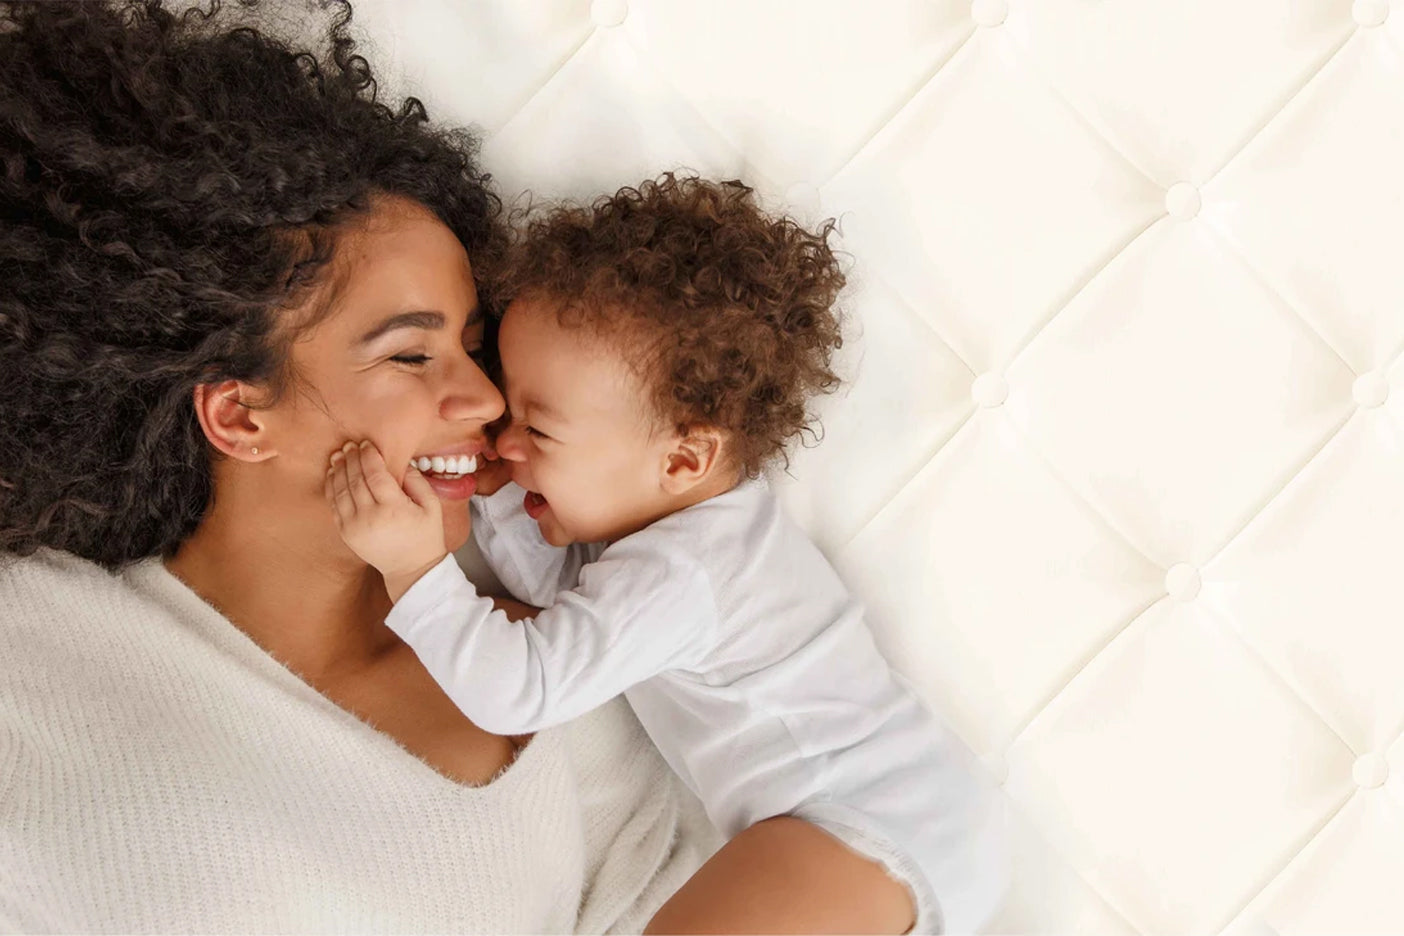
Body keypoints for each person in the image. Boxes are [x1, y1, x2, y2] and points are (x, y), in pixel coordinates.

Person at [0, 1, 1002, 931]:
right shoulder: (37, 638)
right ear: (238, 412)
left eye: (476, 349)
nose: (484, 403)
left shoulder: (582, 670)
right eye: (410, 353)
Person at [324, 175, 1007, 935]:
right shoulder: (674, 530)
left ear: (684, 460)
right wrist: (501, 489)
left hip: (865, 822)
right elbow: (559, 597)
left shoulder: (688, 569)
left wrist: (414, 570)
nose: (503, 441)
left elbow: (525, 684)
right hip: (892, 824)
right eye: (510, 414)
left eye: (537, 432)